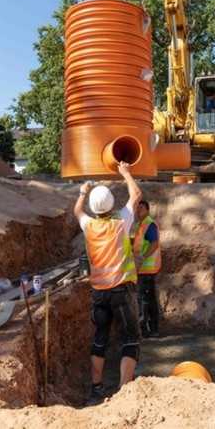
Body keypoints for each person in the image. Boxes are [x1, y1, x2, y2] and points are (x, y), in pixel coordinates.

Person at [74, 161, 142, 405]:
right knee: (130, 338)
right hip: (121, 291)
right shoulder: (120, 222)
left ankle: (96, 388)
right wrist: (125, 172)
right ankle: (125, 392)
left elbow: (77, 212)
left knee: (100, 338)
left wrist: (83, 191)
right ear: (112, 203)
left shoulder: (88, 226)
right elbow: (136, 195)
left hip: (99, 293)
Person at [132, 200, 161, 338]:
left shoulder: (149, 224)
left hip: (147, 269)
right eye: (137, 208)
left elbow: (154, 244)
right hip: (141, 269)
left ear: (148, 210)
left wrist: (142, 257)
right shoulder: (139, 225)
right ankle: (148, 330)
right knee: (146, 299)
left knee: (146, 300)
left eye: (141, 208)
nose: (138, 211)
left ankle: (150, 330)